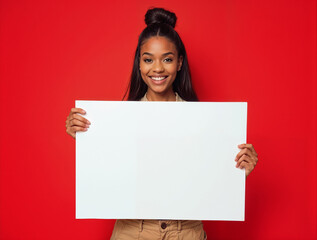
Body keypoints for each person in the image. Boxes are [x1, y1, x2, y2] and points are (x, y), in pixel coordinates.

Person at [65, 7, 258, 240]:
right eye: (148, 60)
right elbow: (107, 173)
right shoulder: (116, 120)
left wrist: (238, 173)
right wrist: (86, 137)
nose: (157, 68)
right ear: (139, 63)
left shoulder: (206, 122)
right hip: (132, 231)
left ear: (179, 63)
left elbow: (210, 184)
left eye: (167, 59)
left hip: (186, 231)